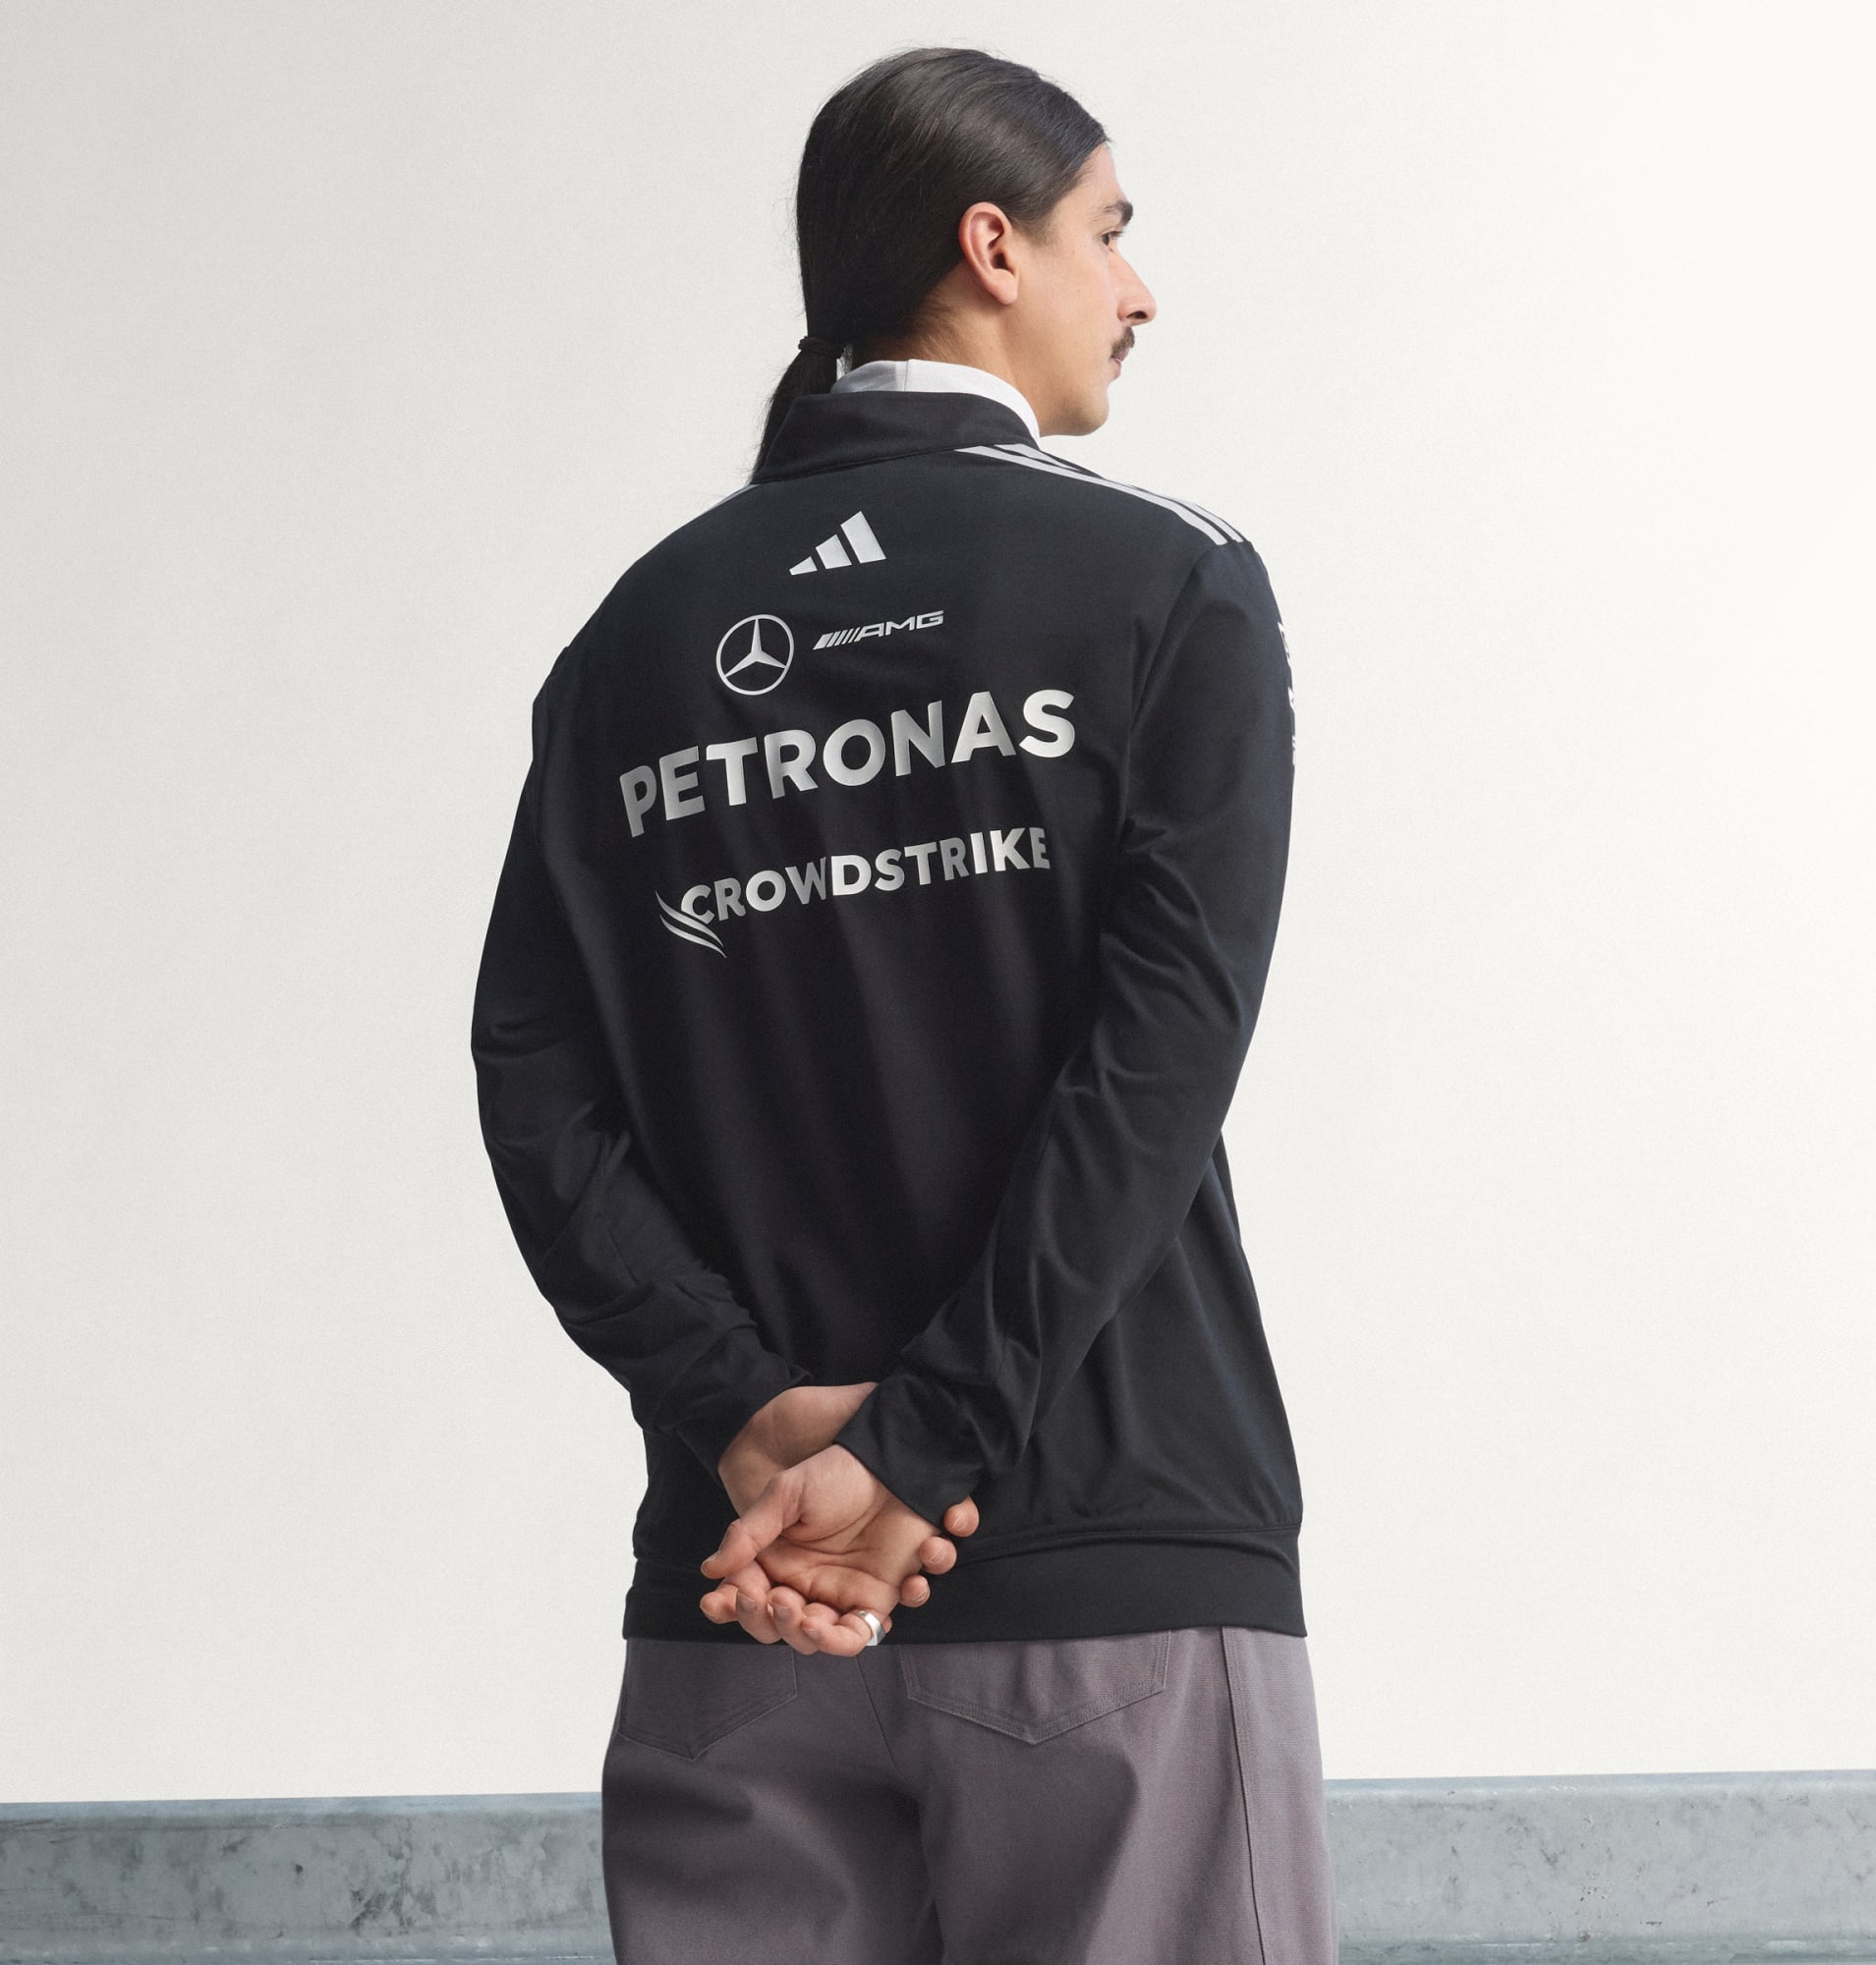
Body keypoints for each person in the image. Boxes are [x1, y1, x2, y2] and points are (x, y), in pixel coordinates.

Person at [470, 43, 1337, 1965]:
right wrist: (919, 1451)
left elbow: (534, 1092)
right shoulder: (1168, 582)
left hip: (737, 1613)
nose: (1138, 287)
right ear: (991, 246)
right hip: (1104, 1585)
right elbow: (1153, 1074)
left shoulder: (631, 643)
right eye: (1108, 231)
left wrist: (749, 1419)